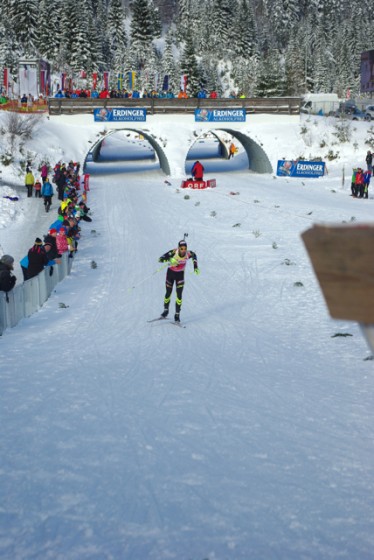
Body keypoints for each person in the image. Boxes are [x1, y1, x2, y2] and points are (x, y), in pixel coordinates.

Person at [158, 239, 199, 323]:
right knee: (168, 293)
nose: (183, 250)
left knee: (179, 296)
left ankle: (177, 315)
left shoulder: (188, 254)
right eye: (182, 248)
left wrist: (195, 266)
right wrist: (170, 260)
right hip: (170, 275)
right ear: (178, 248)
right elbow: (160, 259)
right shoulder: (173, 252)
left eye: (185, 248)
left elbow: (194, 255)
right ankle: (166, 311)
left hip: (180, 276)